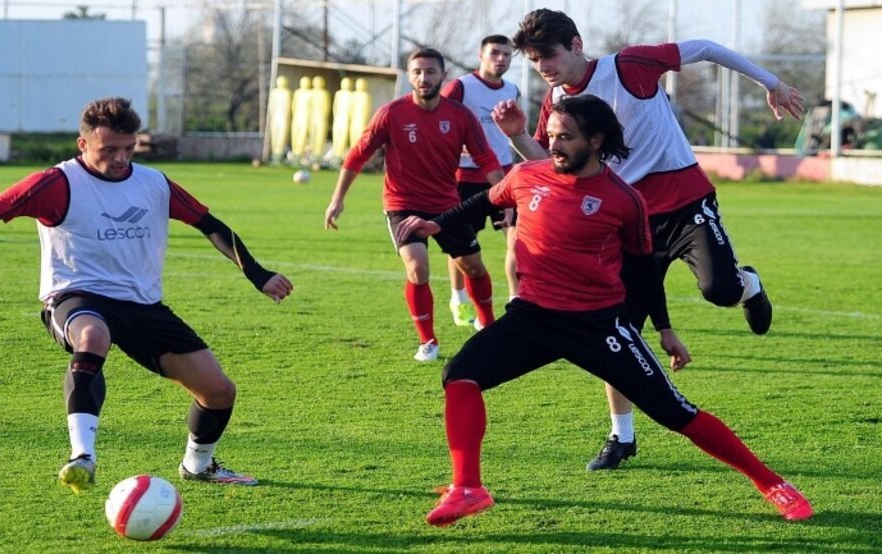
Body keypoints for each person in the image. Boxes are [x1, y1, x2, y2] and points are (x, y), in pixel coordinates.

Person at [396, 94, 813, 527]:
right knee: (460, 375)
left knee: (676, 413)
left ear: (596, 140)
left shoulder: (623, 199)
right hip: (532, 317)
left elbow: (645, 272)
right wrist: (438, 223)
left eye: (566, 137)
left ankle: (773, 484)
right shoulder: (526, 176)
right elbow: (487, 199)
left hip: (599, 325)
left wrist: (664, 328)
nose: (554, 145)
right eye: (551, 136)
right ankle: (468, 488)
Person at [0, 97, 294, 493]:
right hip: (76, 297)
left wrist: (259, 275)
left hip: (142, 306)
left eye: (129, 148)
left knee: (219, 391)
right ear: (83, 143)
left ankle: (198, 466)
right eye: (109, 149)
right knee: (93, 336)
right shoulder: (55, 184)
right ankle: (82, 456)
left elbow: (211, 225)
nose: (120, 159)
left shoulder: (154, 183)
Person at [492, 8, 806, 471]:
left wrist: (771, 82)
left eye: (548, 56)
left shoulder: (630, 65)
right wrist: (518, 135)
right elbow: (549, 163)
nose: (543, 67)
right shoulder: (556, 102)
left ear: (576, 45)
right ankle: (621, 436)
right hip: (623, 222)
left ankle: (749, 286)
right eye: (535, 60)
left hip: (684, 203)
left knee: (719, 290)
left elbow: (705, 47)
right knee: (615, 332)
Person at [324, 48, 503, 362]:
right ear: (409, 76)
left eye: (430, 71)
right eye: (417, 72)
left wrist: (506, 198)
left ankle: (487, 325)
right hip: (402, 205)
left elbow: (486, 158)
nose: (424, 78)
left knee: (473, 267)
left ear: (442, 75)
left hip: (448, 205)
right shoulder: (391, 113)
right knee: (417, 267)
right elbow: (357, 155)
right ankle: (428, 342)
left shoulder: (460, 116)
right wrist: (337, 199)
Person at [441, 34, 521, 328]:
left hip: (504, 175)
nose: (501, 59)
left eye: (507, 54)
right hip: (465, 178)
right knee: (463, 244)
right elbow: (440, 121)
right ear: (480, 55)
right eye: (495, 53)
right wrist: (455, 145)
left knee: (518, 239)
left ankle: (516, 301)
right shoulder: (461, 87)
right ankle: (459, 298)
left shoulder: (512, 89)